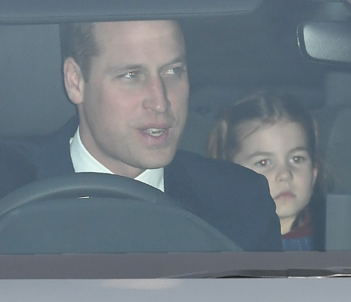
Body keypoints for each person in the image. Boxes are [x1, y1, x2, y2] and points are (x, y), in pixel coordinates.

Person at [0, 19, 281, 251]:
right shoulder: (8, 189)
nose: (160, 102)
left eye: (173, 71)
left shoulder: (240, 200)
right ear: (75, 81)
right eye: (132, 75)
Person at [208, 91, 322, 251]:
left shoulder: (335, 241)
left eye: (297, 159)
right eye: (264, 162)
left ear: (314, 174)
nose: (285, 174)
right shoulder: (217, 246)